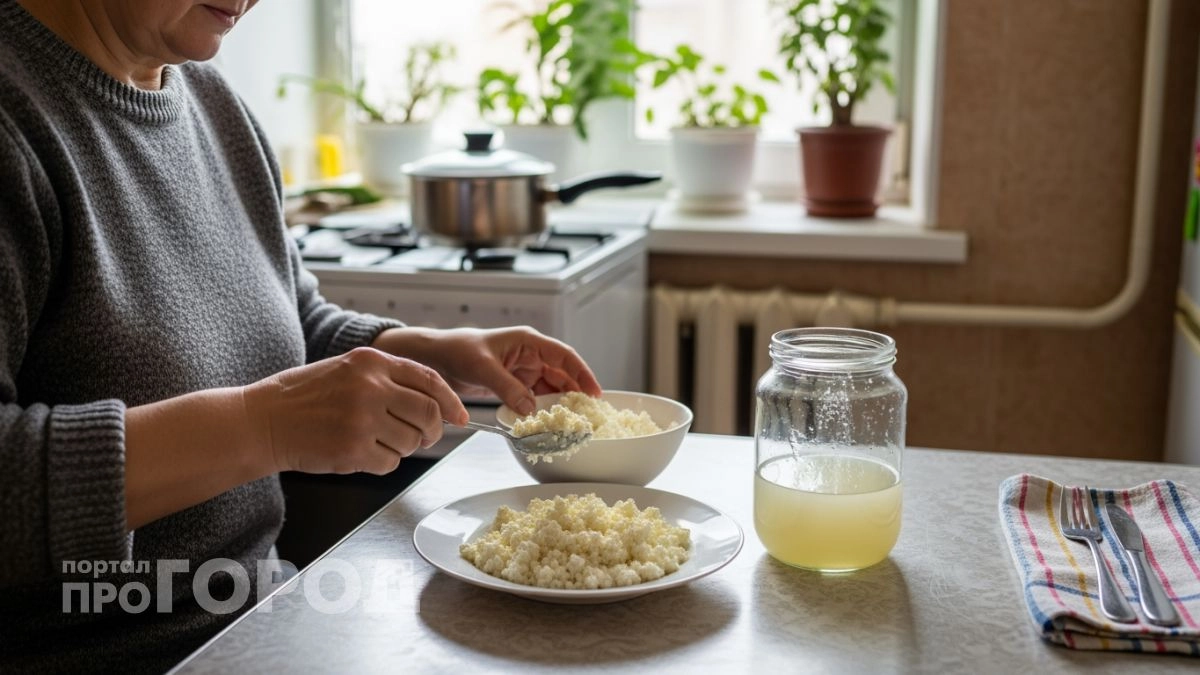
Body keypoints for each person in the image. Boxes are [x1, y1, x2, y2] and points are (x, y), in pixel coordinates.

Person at [0, 0, 604, 672]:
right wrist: (262, 427)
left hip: (260, 625)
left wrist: (432, 353)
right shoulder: (15, 120)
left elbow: (294, 326)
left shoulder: (208, 99)